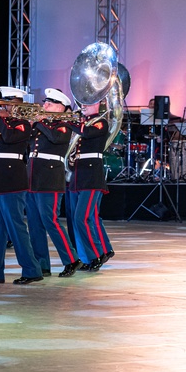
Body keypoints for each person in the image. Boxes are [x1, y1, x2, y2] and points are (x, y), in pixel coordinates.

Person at [0, 87, 44, 285]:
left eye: (6, 104)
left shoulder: (23, 125)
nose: (0, 107)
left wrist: (2, 120)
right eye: (1, 103)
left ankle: (32, 270)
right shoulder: (0, 124)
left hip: (12, 181)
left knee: (16, 228)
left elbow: (9, 138)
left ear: (16, 105)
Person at [26, 88, 82, 278]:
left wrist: (39, 122)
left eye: (50, 103)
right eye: (45, 102)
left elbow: (56, 138)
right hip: (33, 176)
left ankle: (71, 259)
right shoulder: (43, 124)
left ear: (61, 107)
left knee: (51, 220)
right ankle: (42, 264)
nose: (45, 105)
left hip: (50, 177)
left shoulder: (65, 124)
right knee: (34, 223)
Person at [70, 99, 115, 272]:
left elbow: (86, 133)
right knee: (88, 218)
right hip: (78, 176)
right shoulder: (85, 123)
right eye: (82, 104)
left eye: (87, 104)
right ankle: (96, 254)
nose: (83, 106)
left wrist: (67, 123)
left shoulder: (101, 123)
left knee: (82, 218)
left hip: (91, 177)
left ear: (98, 105)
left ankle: (96, 255)